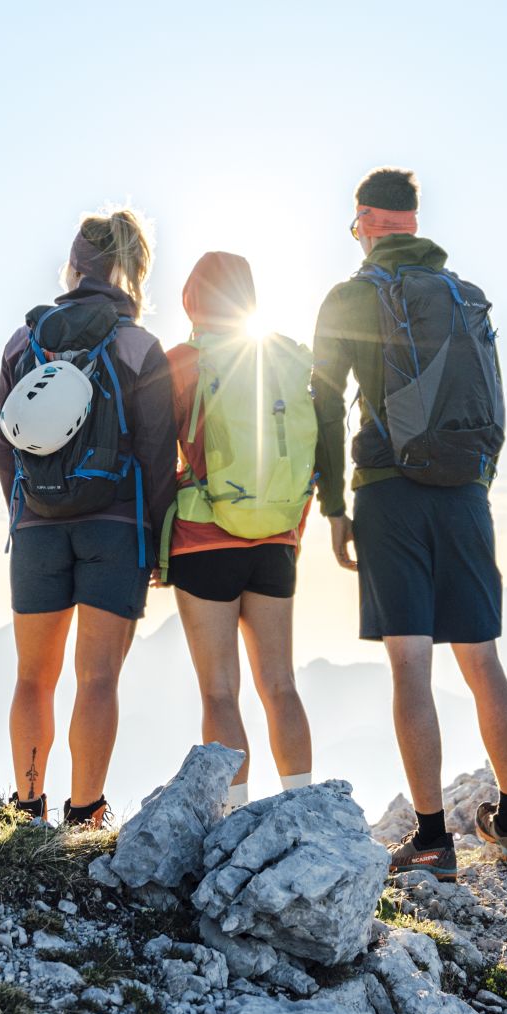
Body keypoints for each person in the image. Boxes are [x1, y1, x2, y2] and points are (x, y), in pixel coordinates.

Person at [311, 168, 507, 881]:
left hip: (388, 495)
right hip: (465, 493)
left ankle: (433, 840)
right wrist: (477, 485)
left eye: (355, 225)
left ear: (371, 223)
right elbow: (495, 401)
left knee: (411, 663)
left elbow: (322, 401)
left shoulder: (350, 296)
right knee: (482, 659)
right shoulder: (466, 297)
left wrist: (335, 506)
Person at [0, 208, 176, 830]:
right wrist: (153, 543)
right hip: (115, 529)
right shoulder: (138, 346)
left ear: (73, 266)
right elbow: (156, 454)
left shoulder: (25, 341)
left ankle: (26, 808)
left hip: (38, 530)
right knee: (97, 680)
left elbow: (2, 440)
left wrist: (25, 511)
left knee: (31, 678)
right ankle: (86, 812)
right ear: (131, 271)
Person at [164, 252, 315, 813]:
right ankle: (302, 807)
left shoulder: (182, 361)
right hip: (277, 538)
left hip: (205, 540)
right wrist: (290, 526)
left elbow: (159, 460)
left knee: (219, 690)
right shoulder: (284, 358)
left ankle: (232, 813)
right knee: (280, 684)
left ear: (191, 299)